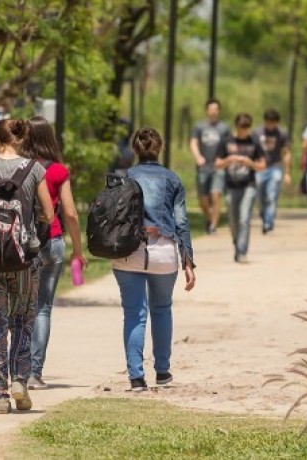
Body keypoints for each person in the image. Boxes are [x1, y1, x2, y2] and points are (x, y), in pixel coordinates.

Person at [0, 119, 54, 414]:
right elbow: (49, 213)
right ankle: (20, 380)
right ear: (21, 139)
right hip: (25, 261)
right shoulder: (35, 169)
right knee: (22, 323)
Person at [113, 127, 196, 392]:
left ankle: (136, 377)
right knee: (161, 310)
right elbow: (181, 222)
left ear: (135, 149)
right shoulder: (172, 180)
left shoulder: (125, 178)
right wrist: (188, 262)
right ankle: (162, 372)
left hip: (128, 252)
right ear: (159, 148)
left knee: (134, 314)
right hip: (163, 252)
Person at [23, 116, 87, 390]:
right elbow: (70, 213)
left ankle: (18, 369)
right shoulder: (59, 170)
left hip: (24, 245)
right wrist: (78, 250)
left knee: (21, 309)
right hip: (53, 241)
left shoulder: (20, 168)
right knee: (43, 309)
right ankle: (35, 373)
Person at [216, 113, 267, 263]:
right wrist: (229, 160)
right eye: (241, 127)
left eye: (246, 127)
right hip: (231, 185)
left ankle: (241, 251)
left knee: (244, 218)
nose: (243, 130)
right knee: (233, 219)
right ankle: (237, 242)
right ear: (236, 126)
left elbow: (263, 165)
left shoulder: (254, 142)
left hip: (248, 185)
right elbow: (217, 163)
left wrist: (250, 163)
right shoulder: (226, 141)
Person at [190, 99, 231, 234]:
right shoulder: (199, 126)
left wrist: (225, 161)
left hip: (218, 166)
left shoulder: (224, 128)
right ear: (207, 110)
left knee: (216, 195)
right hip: (203, 166)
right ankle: (209, 218)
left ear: (219, 111)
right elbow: (193, 142)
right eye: (211, 109)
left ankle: (213, 225)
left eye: (216, 109)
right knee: (203, 199)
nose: (213, 112)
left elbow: (229, 146)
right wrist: (198, 157)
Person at [252, 109, 292, 234]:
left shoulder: (281, 133)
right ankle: (264, 216)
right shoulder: (257, 133)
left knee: (271, 196)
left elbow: (286, 152)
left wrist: (287, 172)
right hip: (259, 168)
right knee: (260, 197)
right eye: (269, 122)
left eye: (273, 123)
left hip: (275, 167)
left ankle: (268, 224)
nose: (271, 125)